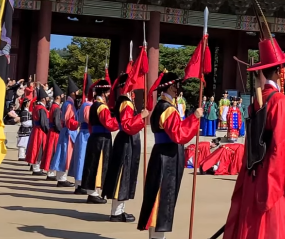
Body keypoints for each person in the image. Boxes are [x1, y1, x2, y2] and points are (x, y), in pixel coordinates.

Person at [224, 19, 285, 239]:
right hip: (273, 179)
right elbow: (282, 146)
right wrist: (274, 184)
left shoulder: (257, 102)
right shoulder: (280, 101)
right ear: (279, 71)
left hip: (254, 175)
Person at [138, 72, 202, 238]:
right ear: (170, 87)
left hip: (162, 153)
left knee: (157, 195)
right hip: (167, 156)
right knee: (163, 196)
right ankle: (158, 236)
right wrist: (194, 118)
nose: (177, 90)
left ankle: (155, 236)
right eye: (175, 86)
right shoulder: (168, 109)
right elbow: (179, 135)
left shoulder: (162, 106)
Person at [104, 73, 148, 222]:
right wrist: (141, 116)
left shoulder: (126, 101)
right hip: (126, 141)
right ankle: (116, 212)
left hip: (127, 141)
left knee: (124, 175)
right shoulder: (126, 103)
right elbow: (128, 125)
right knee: (122, 175)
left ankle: (119, 209)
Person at [80, 77, 118, 204]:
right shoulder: (102, 107)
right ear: (103, 93)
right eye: (107, 93)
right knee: (98, 164)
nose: (108, 95)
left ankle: (92, 191)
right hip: (101, 139)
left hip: (95, 137)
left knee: (92, 163)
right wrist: (119, 121)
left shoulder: (93, 105)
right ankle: (93, 193)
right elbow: (109, 123)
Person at [50, 79, 80, 187]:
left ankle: (61, 177)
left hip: (66, 131)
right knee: (64, 154)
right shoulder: (69, 104)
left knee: (63, 154)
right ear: (73, 92)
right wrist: (78, 123)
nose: (78, 93)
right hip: (68, 132)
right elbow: (68, 120)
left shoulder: (68, 103)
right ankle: (61, 178)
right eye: (77, 91)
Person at [69, 82, 93, 195]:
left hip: (83, 133)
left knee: (80, 158)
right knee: (81, 159)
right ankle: (80, 184)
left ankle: (79, 184)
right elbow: (89, 120)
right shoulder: (88, 105)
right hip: (86, 134)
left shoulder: (84, 104)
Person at [25, 87, 50, 175]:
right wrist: (48, 131)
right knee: (39, 149)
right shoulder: (42, 109)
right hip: (40, 131)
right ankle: (36, 168)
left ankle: (35, 167)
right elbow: (44, 122)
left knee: (35, 148)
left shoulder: (36, 107)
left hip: (36, 129)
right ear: (43, 99)